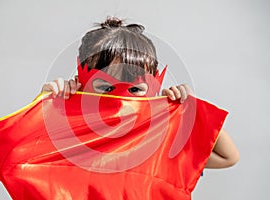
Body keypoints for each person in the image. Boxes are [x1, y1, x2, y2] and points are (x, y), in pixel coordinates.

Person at [42, 17, 239, 169]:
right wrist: (44, 107)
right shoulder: (66, 136)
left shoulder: (161, 141)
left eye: (135, 89)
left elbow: (228, 156)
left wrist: (191, 111)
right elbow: (21, 155)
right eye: (105, 87)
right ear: (79, 84)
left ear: (153, 92)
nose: (120, 101)